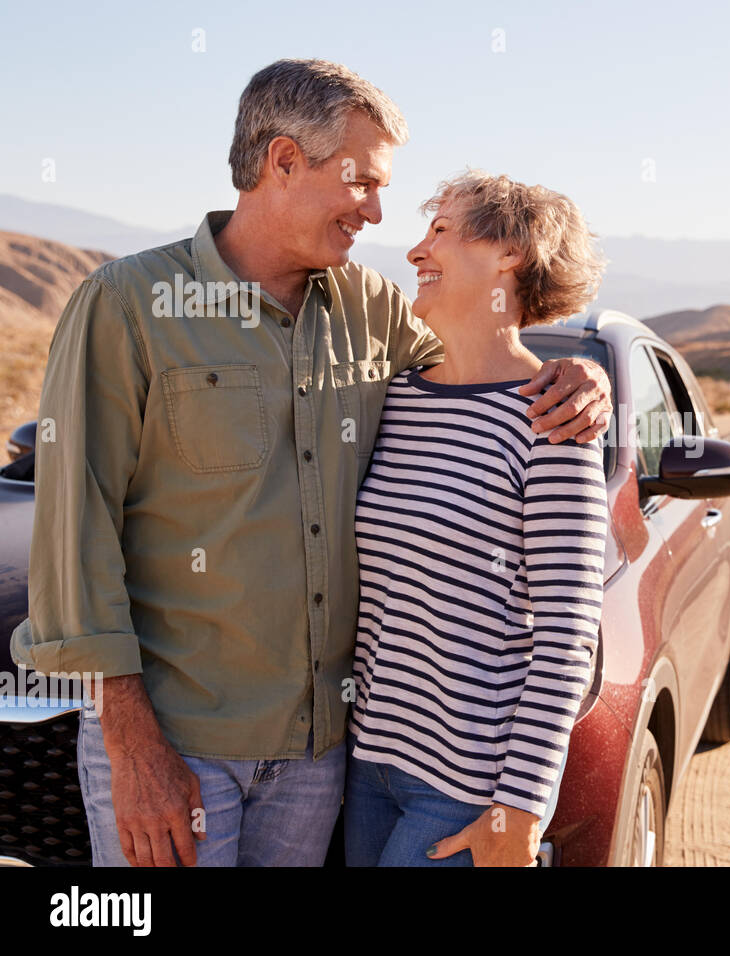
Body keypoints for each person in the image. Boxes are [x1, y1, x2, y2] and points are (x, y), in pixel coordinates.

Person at [8, 59, 612, 867]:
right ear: (284, 161)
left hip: (325, 759)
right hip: (179, 744)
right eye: (362, 183)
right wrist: (130, 744)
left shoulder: (370, 308)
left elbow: (484, 360)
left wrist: (581, 375)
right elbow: (73, 533)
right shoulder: (128, 303)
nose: (377, 213)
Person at [344, 169, 608, 867]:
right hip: (367, 765)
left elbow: (567, 638)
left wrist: (519, 812)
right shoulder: (394, 399)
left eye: (440, 230)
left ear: (509, 254)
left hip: (465, 791)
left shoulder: (551, 421)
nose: (414, 251)